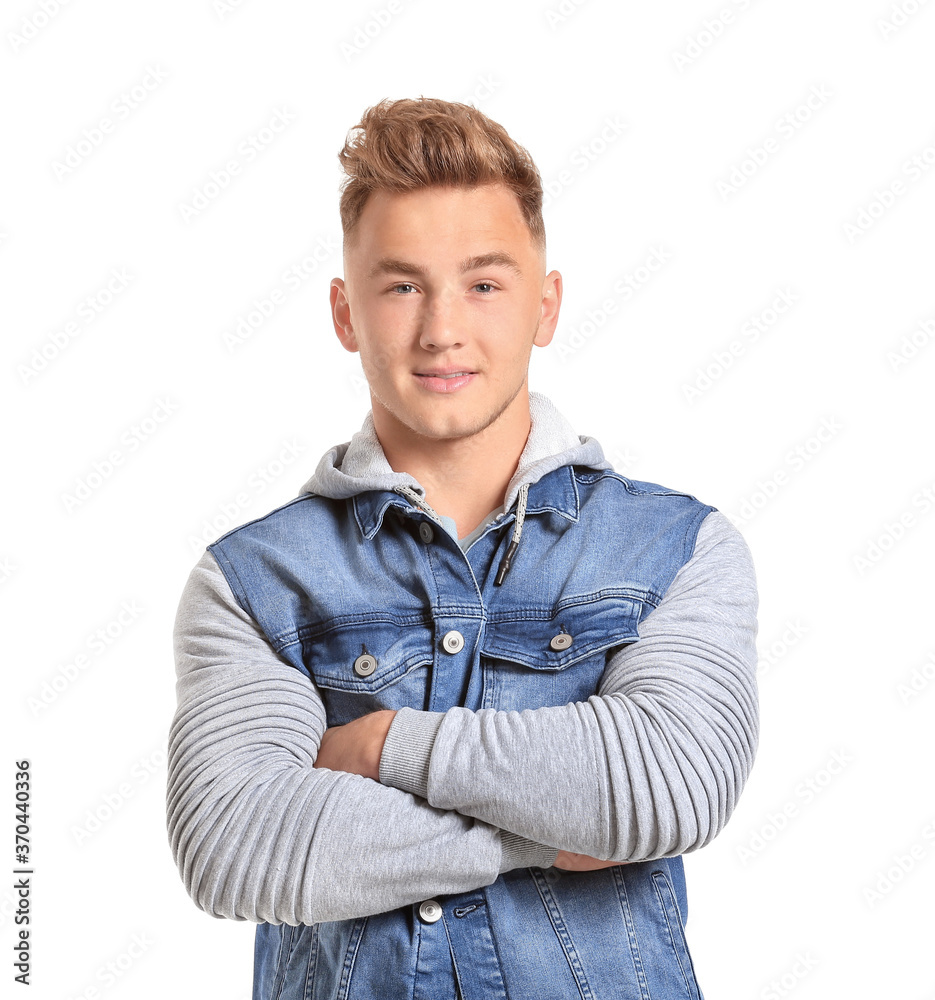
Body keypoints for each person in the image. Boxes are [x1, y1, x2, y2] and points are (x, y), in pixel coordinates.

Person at [167, 97, 759, 1000]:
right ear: (345, 313)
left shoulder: (675, 551)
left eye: (483, 284)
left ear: (544, 304)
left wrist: (377, 747)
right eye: (402, 286)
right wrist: (555, 834)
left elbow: (668, 785)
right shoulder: (253, 583)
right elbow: (236, 846)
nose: (442, 328)